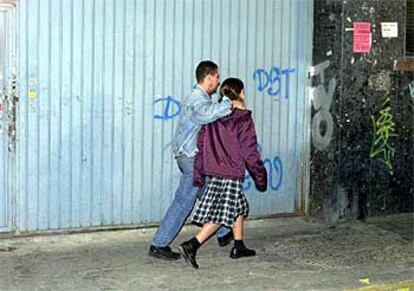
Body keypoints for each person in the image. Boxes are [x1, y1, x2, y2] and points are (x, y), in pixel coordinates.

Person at [149, 61, 242, 260]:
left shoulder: (201, 98)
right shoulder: (197, 99)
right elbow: (206, 115)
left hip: (193, 157)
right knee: (184, 201)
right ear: (208, 77)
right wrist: (228, 102)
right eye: (217, 77)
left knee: (211, 193)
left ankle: (223, 231)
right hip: (191, 159)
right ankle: (159, 244)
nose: (218, 82)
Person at [178, 77, 267, 269]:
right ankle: (192, 245)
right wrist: (260, 176)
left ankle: (238, 245)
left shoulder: (215, 115)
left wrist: (200, 170)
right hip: (231, 172)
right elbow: (250, 151)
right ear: (241, 92)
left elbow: (201, 143)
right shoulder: (242, 118)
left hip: (215, 171)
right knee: (222, 214)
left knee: (239, 207)